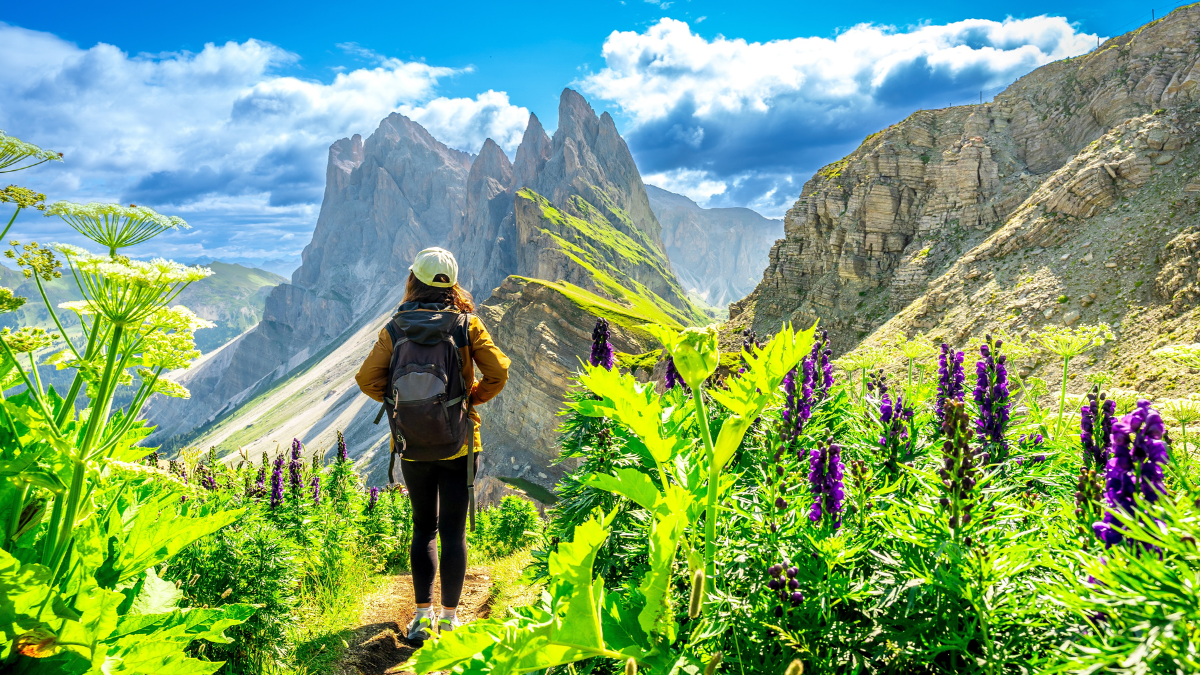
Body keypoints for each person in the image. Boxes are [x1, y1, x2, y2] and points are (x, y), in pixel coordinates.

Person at [355, 247, 510, 640]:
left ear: (414, 280)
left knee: (423, 528)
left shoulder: (395, 327)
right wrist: (470, 398)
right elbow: (499, 371)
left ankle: (421, 617)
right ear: (452, 283)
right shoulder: (467, 325)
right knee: (453, 533)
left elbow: (366, 379)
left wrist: (402, 405)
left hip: (412, 444)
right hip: (458, 442)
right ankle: (449, 618)